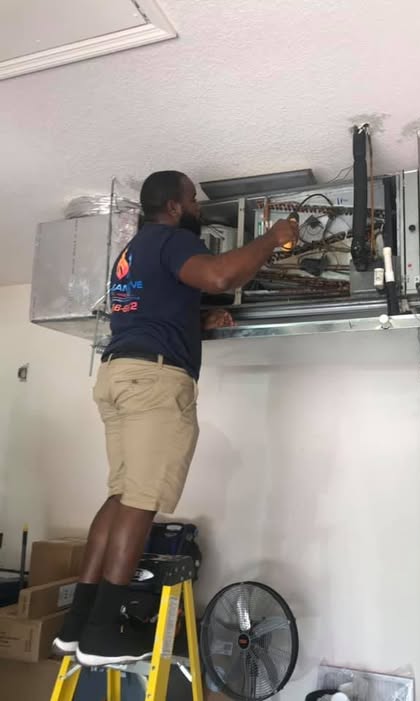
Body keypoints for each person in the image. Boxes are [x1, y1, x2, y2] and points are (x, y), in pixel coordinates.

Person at [53, 170, 299, 666]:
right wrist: (274, 237)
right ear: (172, 206)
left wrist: (198, 320)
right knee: (141, 501)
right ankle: (104, 634)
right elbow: (220, 276)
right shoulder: (169, 239)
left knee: (122, 495)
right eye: (191, 198)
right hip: (153, 384)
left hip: (120, 374)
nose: (197, 206)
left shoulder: (133, 252)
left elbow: (151, 313)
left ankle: (78, 623)